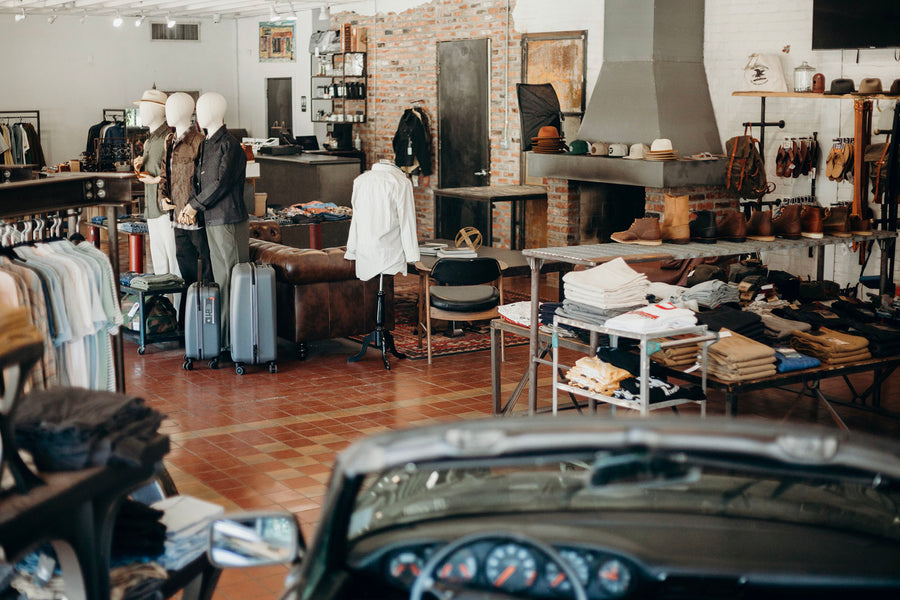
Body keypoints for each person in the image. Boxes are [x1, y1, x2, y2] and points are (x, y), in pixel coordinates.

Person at [178, 92, 248, 352]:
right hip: (212, 218)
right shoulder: (207, 143)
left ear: (216, 111)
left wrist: (194, 206)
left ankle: (234, 341)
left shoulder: (231, 145)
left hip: (228, 219)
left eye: (201, 108)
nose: (198, 113)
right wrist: (190, 205)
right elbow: (197, 180)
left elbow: (221, 184)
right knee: (220, 280)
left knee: (232, 278)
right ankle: (221, 340)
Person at [158, 93, 210, 323]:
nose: (167, 112)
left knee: (207, 272)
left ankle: (207, 322)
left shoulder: (199, 141)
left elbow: (203, 180)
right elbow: (163, 174)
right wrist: (162, 197)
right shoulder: (169, 141)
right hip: (175, 217)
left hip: (196, 217)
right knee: (186, 273)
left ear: (184, 111)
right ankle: (187, 323)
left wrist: (194, 207)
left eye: (171, 107)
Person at [133, 88, 181, 287]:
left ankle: (179, 311)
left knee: (174, 262)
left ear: (158, 110)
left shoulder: (167, 139)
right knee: (159, 263)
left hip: (165, 208)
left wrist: (155, 180)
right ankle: (164, 310)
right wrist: (139, 169)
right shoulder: (149, 140)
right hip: (152, 208)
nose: (141, 112)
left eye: (145, 108)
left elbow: (173, 174)